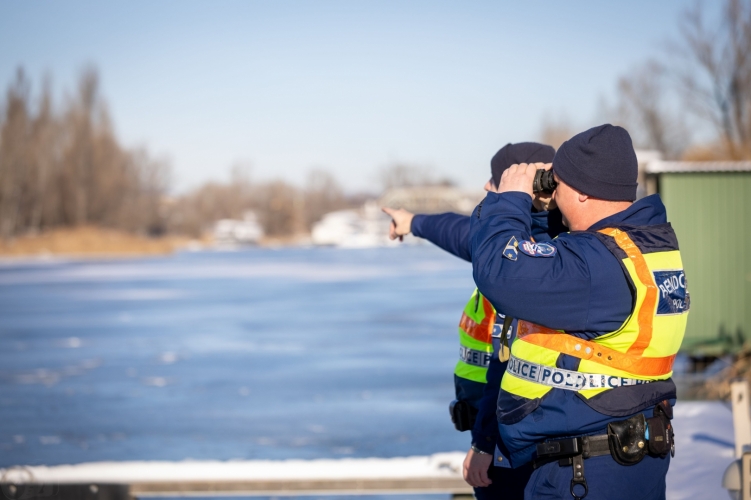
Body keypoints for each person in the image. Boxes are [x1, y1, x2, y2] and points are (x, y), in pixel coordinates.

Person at [469, 124, 689, 500]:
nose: (553, 195)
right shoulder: (642, 245)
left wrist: (509, 200)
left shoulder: (593, 266)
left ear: (583, 191)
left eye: (558, 185)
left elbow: (499, 272)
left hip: (586, 475)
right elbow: (554, 255)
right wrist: (538, 210)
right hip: (624, 459)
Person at [383, 142, 564, 500]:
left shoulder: (529, 262)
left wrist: (485, 443)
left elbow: (510, 365)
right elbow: (455, 228)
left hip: (514, 438)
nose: (485, 186)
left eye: (495, 181)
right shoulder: (496, 245)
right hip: (497, 429)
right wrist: (413, 222)